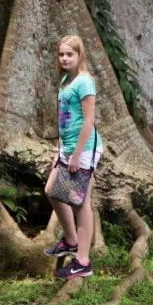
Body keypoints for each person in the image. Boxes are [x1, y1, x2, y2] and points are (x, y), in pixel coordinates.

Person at [44, 34, 103, 279]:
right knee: (50, 191)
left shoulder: (85, 82)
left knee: (80, 203)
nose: (65, 58)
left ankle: (83, 261)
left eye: (70, 54)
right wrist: (61, 153)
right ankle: (70, 240)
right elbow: (64, 121)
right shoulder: (66, 80)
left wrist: (77, 155)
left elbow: (88, 121)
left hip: (85, 149)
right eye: (62, 54)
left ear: (80, 56)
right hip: (67, 149)